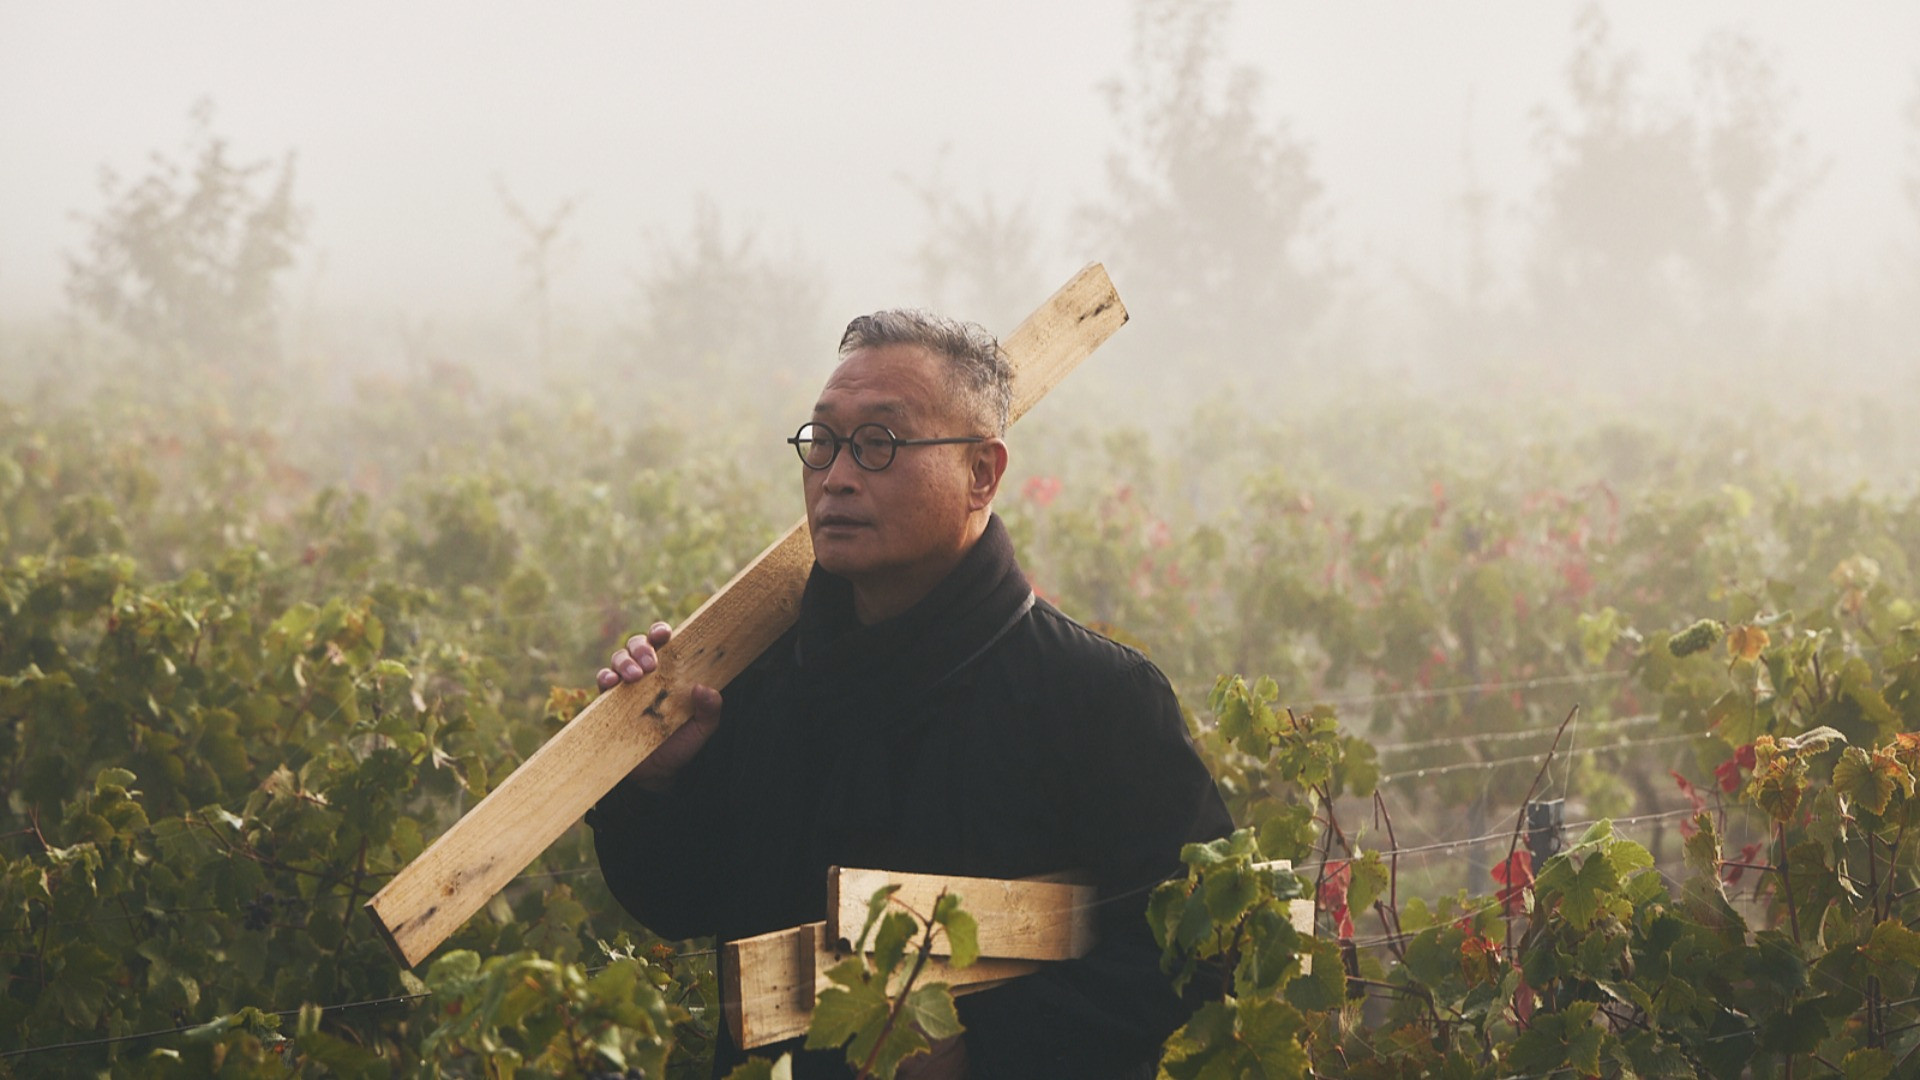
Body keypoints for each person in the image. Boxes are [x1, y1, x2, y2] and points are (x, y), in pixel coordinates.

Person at [586, 310, 1232, 1079]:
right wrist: (655, 787)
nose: (838, 476)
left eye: (879, 444)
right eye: (822, 441)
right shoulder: (761, 683)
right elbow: (682, 903)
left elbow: (1190, 946)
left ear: (982, 474)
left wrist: (980, 1054)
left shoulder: (1099, 700)